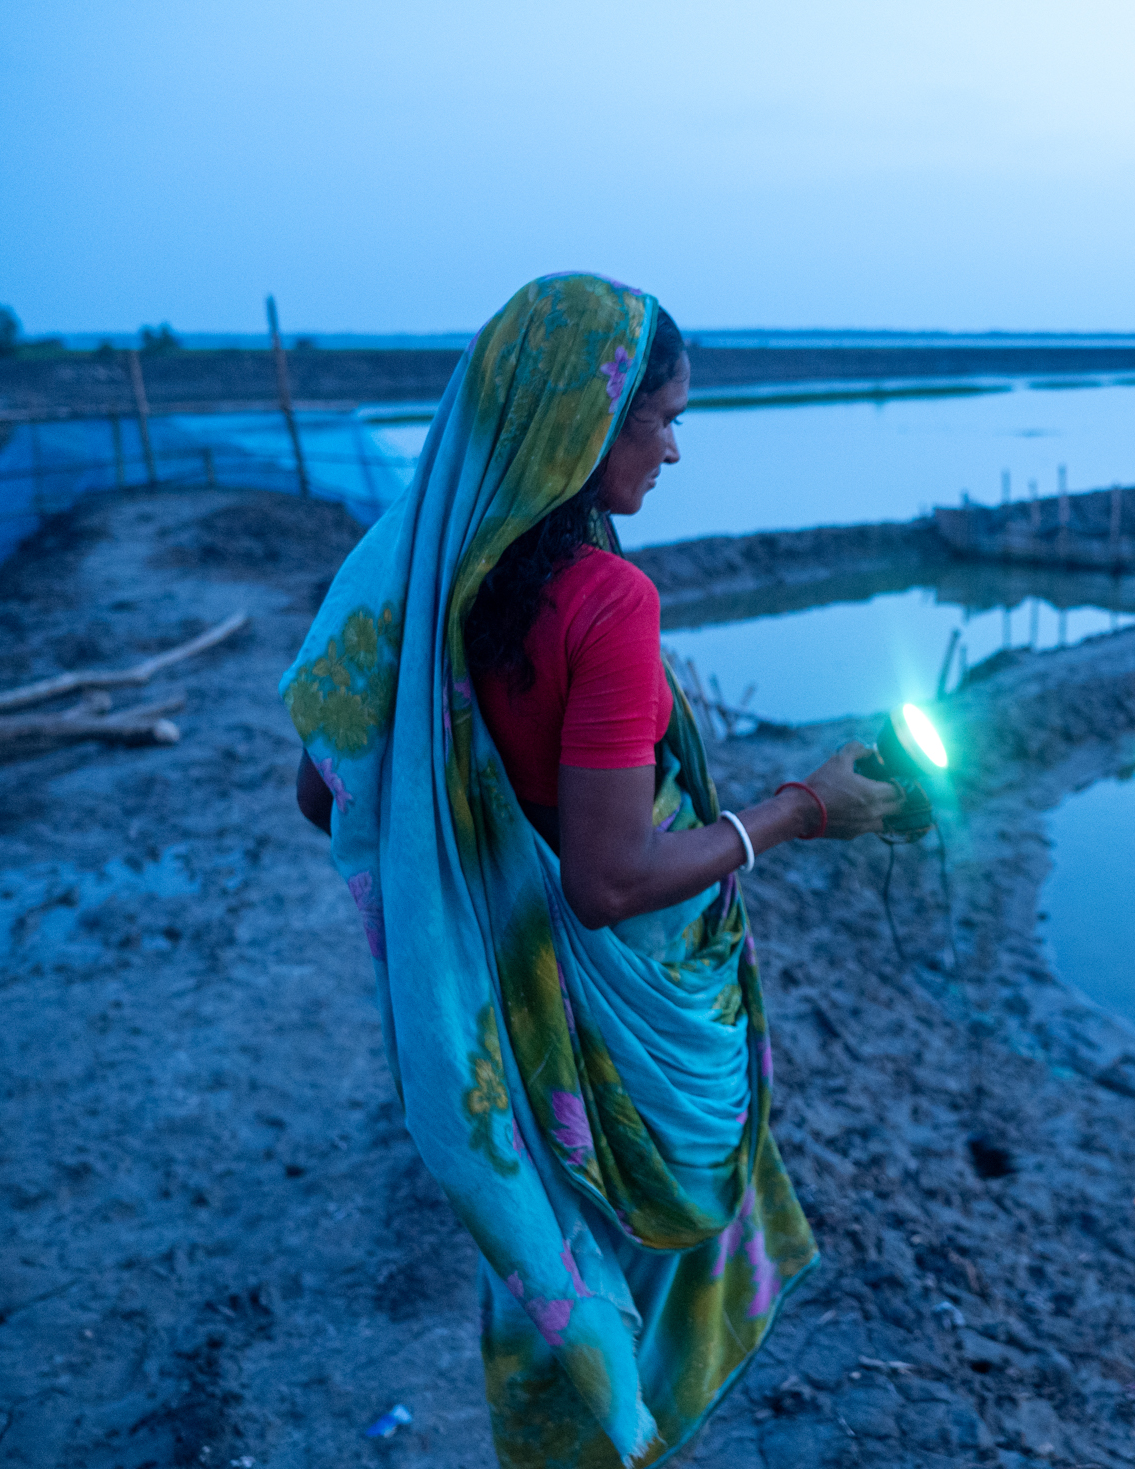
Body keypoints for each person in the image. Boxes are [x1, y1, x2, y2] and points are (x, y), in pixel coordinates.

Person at [284, 273, 901, 1468]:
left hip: (502, 1015)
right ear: (584, 419)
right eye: (659, 419)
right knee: (644, 1260)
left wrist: (473, 867)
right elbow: (608, 884)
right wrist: (802, 808)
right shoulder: (605, 600)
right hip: (623, 1021)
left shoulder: (409, 575)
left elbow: (327, 795)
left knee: (559, 1255)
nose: (674, 449)